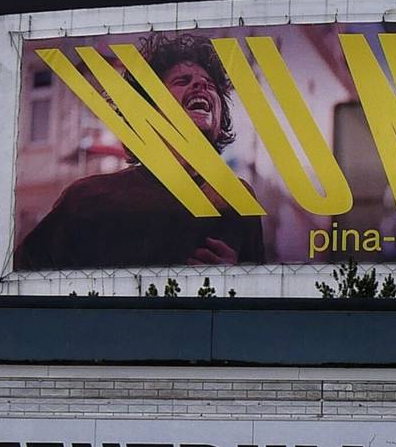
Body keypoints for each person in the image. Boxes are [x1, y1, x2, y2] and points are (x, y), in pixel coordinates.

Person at [16, 32, 266, 270]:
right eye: (182, 80)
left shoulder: (240, 199)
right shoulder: (85, 200)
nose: (201, 84)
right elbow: (21, 281)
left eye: (210, 84)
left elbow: (261, 304)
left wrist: (235, 278)